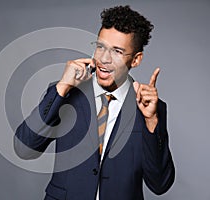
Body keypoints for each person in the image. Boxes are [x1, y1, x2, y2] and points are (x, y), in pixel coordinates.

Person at [14, 5, 175, 200]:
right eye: (100, 47)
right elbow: (24, 149)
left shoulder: (152, 109)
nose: (104, 59)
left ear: (136, 60)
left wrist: (151, 122)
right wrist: (62, 87)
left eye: (117, 51)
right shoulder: (64, 94)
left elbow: (160, 184)